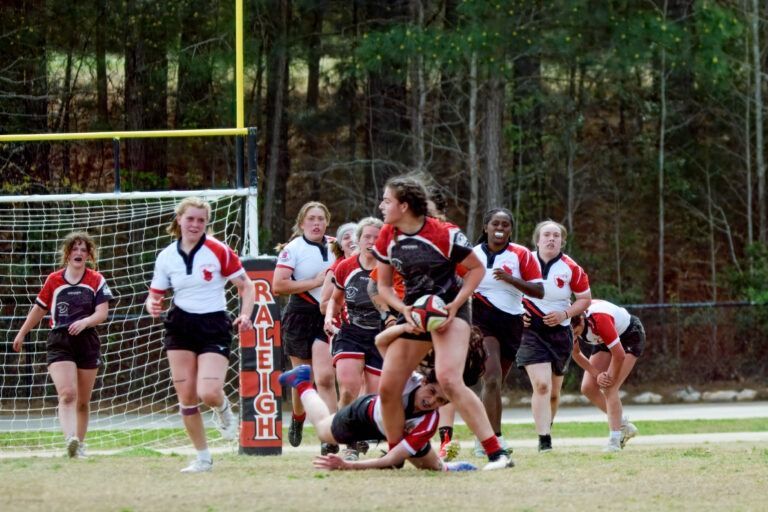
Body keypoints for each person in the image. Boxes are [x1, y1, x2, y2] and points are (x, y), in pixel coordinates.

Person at [372, 176, 513, 471]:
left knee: (449, 379)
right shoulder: (387, 235)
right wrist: (404, 309)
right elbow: (384, 287)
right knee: (388, 388)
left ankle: (496, 453)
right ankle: (394, 456)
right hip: (414, 311)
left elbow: (475, 270)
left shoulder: (444, 233)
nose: (381, 205)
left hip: (449, 310)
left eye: (386, 200)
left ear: (404, 205)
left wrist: (455, 305)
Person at [146, 197, 255, 473]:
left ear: (206, 223)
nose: (195, 224)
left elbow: (247, 286)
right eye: (190, 218)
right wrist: (153, 304)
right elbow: (154, 295)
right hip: (180, 325)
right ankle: (203, 457)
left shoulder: (218, 250)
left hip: (214, 324)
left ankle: (222, 408)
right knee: (186, 396)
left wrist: (245, 314)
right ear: (179, 219)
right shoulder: (166, 256)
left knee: (207, 391)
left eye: (201, 220)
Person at [13, 232, 114, 458]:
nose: (79, 253)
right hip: (60, 340)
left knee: (83, 402)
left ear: (88, 255)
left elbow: (102, 313)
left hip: (87, 341)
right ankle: (71, 440)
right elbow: (39, 309)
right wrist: (21, 333)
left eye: (83, 249)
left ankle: (80, 444)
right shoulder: (54, 280)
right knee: (68, 394)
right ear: (67, 253)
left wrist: (85, 322)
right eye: (75, 249)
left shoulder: (96, 279)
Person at [279, 363, 476, 472]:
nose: (431, 401)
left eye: (440, 401)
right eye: (431, 391)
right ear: (423, 381)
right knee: (323, 430)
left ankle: (454, 467)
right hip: (362, 417)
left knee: (433, 467)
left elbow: (391, 459)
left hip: (395, 434)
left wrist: (349, 466)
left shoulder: (429, 421)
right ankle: (302, 382)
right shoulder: (407, 378)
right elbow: (383, 343)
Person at [470, 208, 544, 455]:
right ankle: (492, 440)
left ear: (510, 229)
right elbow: (459, 283)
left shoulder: (521, 254)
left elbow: (538, 291)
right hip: (481, 320)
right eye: (495, 224)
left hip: (511, 323)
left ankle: (485, 437)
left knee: (496, 383)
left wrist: (511, 279)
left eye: (505, 225)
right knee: (490, 377)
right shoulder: (473, 254)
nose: (500, 228)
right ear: (486, 227)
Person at [518, 220, 591, 452]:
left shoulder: (571, 267)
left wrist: (565, 314)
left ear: (562, 241)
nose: (551, 239)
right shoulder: (522, 261)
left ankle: (546, 426)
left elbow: (585, 299)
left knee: (554, 394)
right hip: (530, 331)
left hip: (560, 332)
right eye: (547, 235)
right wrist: (519, 312)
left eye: (556, 236)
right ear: (537, 239)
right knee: (541, 385)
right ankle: (544, 441)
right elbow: (506, 290)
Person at [272, 201, 337, 453]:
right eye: (311, 218)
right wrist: (313, 282)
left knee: (325, 378)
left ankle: (329, 436)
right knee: (304, 379)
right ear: (302, 223)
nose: (316, 223)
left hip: (327, 315)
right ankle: (298, 419)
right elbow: (278, 285)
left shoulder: (336, 245)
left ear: (327, 222)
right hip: (299, 315)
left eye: (321, 218)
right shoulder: (293, 249)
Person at [324, 217, 384, 460]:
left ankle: (361, 437)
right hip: (350, 332)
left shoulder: (389, 268)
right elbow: (335, 300)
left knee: (373, 395)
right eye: (367, 237)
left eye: (376, 237)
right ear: (358, 240)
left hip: (380, 336)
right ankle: (348, 441)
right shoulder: (345, 267)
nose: (371, 241)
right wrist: (329, 318)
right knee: (348, 388)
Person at [571, 299, 643, 451]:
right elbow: (576, 354)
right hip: (605, 339)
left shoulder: (599, 319)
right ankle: (623, 424)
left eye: (575, 332)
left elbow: (619, 355)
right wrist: (597, 374)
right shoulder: (566, 323)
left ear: (582, 319)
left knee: (609, 388)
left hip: (629, 335)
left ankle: (614, 442)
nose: (572, 337)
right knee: (588, 388)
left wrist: (608, 378)